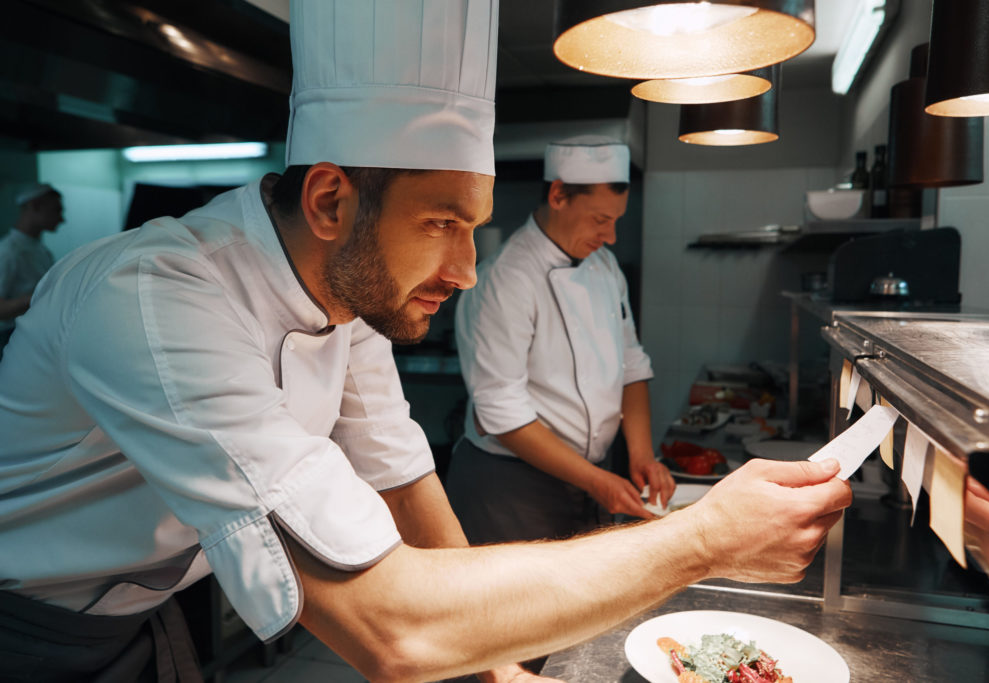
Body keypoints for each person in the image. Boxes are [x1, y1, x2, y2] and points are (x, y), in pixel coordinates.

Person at [0, 2, 851, 682]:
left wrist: (496, 666)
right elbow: (388, 630)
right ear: (330, 202)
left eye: (473, 227)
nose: (469, 269)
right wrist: (706, 537)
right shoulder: (155, 294)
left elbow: (404, 478)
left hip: (140, 616)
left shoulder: (346, 300)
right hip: (26, 629)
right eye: (443, 223)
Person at [446, 136, 675, 544]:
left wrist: (642, 455)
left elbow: (631, 364)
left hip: (587, 481)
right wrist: (596, 480)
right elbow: (502, 412)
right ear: (558, 196)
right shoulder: (506, 278)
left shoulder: (604, 266)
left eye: (616, 220)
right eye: (600, 219)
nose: (611, 236)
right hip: (511, 491)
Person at [0, 182, 62, 354]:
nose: (62, 219)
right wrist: (44, 294)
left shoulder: (41, 250)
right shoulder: (8, 251)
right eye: (56, 210)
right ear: (36, 206)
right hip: (12, 339)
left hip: (34, 335)